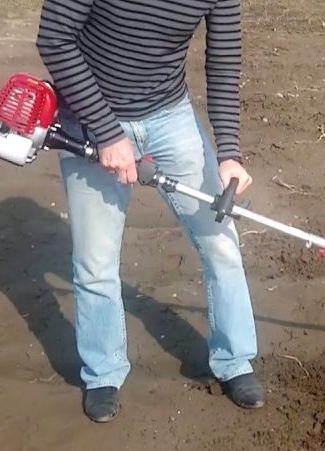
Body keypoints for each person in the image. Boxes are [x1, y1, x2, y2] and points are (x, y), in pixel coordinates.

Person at [35, 0, 264, 422]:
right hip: (90, 120)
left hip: (170, 117)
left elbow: (224, 60)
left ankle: (234, 359)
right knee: (95, 261)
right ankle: (103, 372)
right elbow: (54, 37)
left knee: (221, 243)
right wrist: (106, 132)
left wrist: (229, 153)